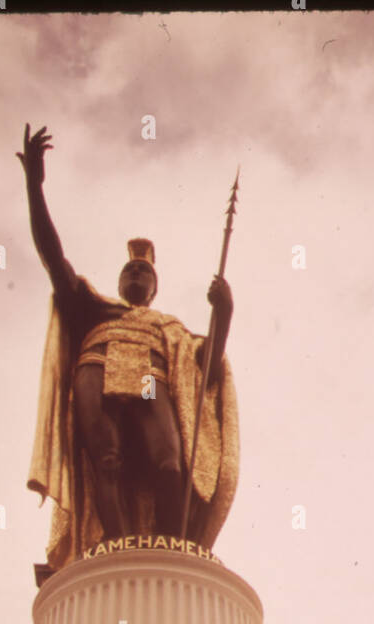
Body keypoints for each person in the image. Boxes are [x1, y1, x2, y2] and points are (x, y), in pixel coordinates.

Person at [18, 124, 239, 570]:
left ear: (154, 289)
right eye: (129, 272)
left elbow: (208, 371)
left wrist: (224, 312)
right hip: (95, 372)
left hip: (150, 381)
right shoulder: (92, 309)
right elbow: (53, 257)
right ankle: (116, 551)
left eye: (144, 274)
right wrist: (34, 188)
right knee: (107, 460)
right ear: (120, 283)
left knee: (169, 463)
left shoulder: (169, 330)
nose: (136, 275)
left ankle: (173, 552)